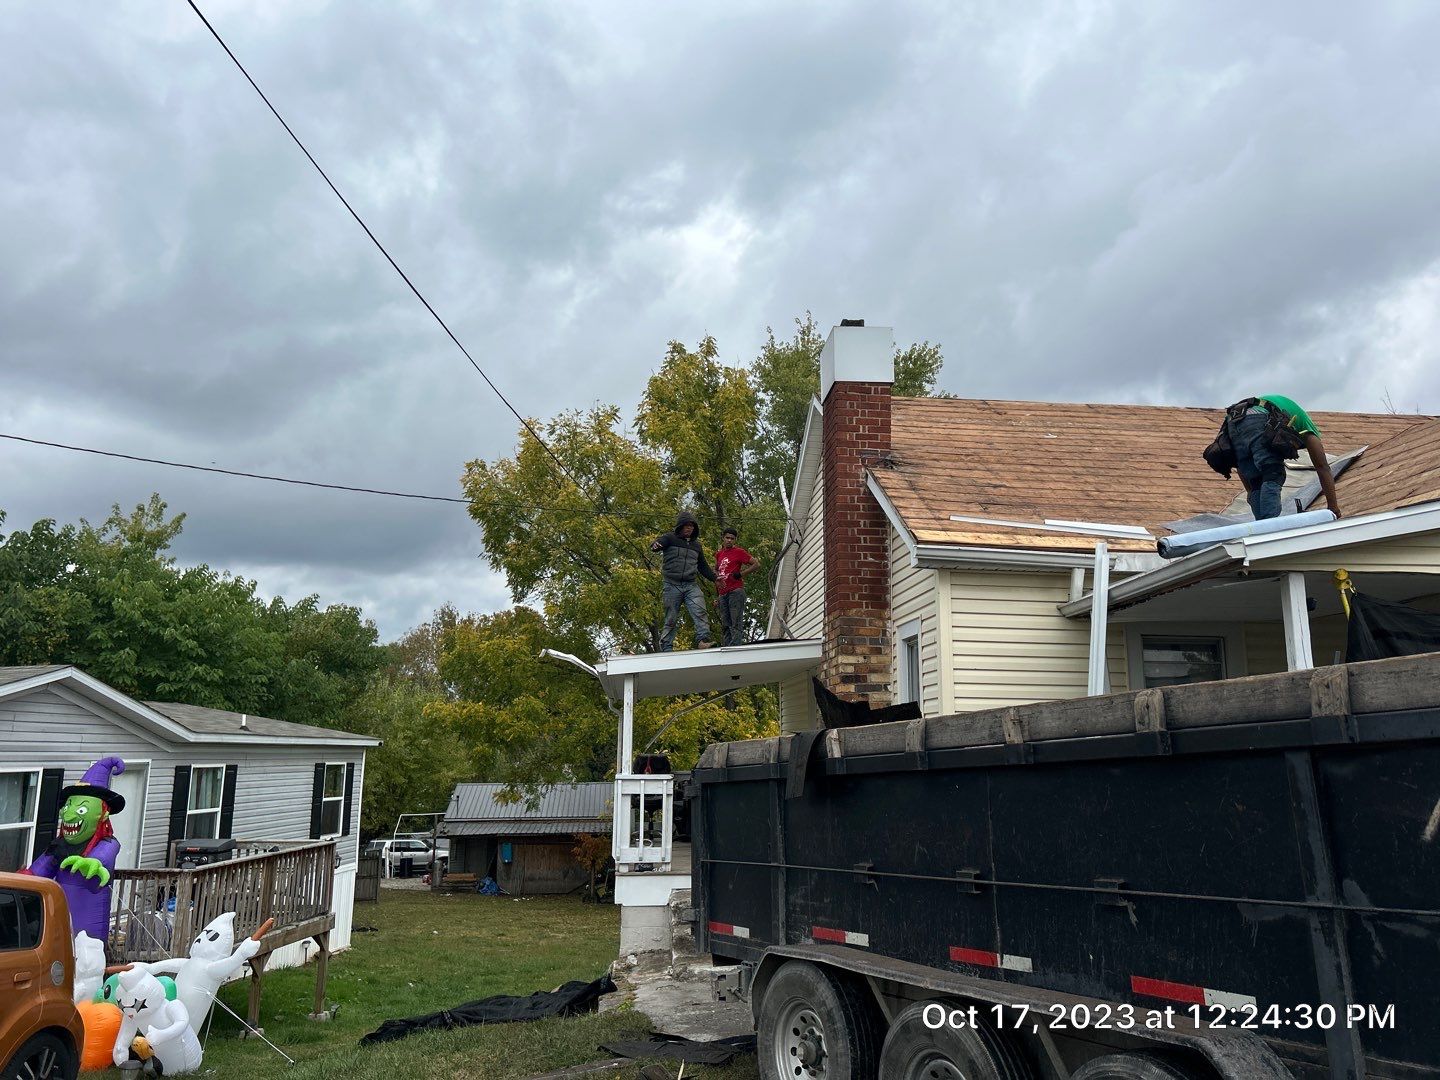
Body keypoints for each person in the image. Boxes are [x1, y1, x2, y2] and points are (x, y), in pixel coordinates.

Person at [1221, 394, 1341, 521]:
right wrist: (1333, 508)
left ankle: (1261, 527)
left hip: (1232, 421)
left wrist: (1250, 490)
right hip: (1259, 415)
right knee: (1272, 473)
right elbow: (1323, 468)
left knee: (1256, 482)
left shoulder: (1288, 419)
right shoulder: (1308, 430)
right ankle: (1270, 526)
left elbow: (1241, 466)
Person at [651, 510, 715, 651]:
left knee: (700, 611)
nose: (689, 528)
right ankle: (667, 647)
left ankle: (703, 641)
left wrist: (715, 579)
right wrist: (656, 545)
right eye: (686, 525)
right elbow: (657, 544)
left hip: (690, 585)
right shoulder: (670, 538)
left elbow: (703, 566)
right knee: (671, 617)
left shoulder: (697, 546)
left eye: (692, 526)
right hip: (671, 585)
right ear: (680, 526)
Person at [714, 527, 757, 647]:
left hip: (735, 591)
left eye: (732, 538)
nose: (729, 540)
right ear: (723, 538)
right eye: (727, 538)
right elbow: (716, 571)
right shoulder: (719, 554)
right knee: (725, 623)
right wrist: (717, 595)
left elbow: (756, 564)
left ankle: (736, 647)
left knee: (735, 621)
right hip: (723, 593)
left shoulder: (739, 552)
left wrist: (741, 574)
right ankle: (727, 647)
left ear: (735, 540)